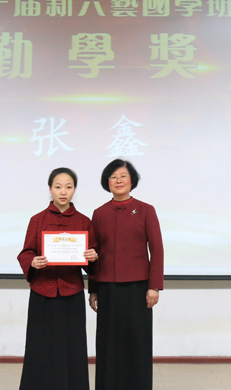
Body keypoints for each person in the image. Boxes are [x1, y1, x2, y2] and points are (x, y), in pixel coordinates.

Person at [17, 167, 99, 390]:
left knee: (72, 347)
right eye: (58, 187)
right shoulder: (37, 220)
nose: (63, 192)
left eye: (69, 187)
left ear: (74, 190)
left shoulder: (84, 222)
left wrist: (93, 257)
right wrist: (32, 262)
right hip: (42, 292)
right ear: (50, 189)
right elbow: (26, 252)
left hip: (72, 292)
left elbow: (93, 259)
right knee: (40, 346)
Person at [88, 159, 164, 390]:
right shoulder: (99, 213)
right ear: (107, 182)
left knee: (137, 342)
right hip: (107, 288)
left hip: (138, 289)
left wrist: (154, 286)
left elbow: (157, 250)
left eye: (123, 176)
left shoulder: (146, 210)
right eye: (113, 177)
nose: (118, 181)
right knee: (109, 343)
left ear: (132, 180)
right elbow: (94, 252)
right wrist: (93, 289)